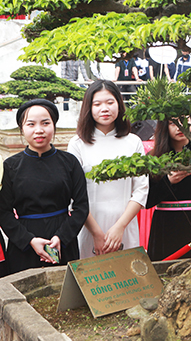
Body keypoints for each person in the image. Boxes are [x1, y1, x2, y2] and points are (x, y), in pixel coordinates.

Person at [0, 99, 89, 274]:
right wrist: (29, 240)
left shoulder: (69, 162)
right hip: (24, 243)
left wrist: (61, 237)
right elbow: (3, 212)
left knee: (64, 287)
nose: (39, 130)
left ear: (54, 126)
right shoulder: (11, 165)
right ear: (22, 128)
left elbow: (81, 207)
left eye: (45, 123)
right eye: (31, 124)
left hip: (63, 240)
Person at [67, 80, 149, 259]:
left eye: (110, 102)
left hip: (125, 226)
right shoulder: (77, 144)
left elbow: (141, 189)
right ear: (89, 108)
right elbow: (74, 194)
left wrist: (120, 226)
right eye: (97, 104)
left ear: (119, 105)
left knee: (126, 272)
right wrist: (96, 233)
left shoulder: (133, 142)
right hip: (89, 227)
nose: (104, 108)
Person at [146, 117, 191, 261]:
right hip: (164, 224)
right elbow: (147, 200)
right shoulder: (154, 158)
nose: (180, 127)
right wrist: (168, 182)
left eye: (185, 120)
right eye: (173, 123)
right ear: (164, 126)